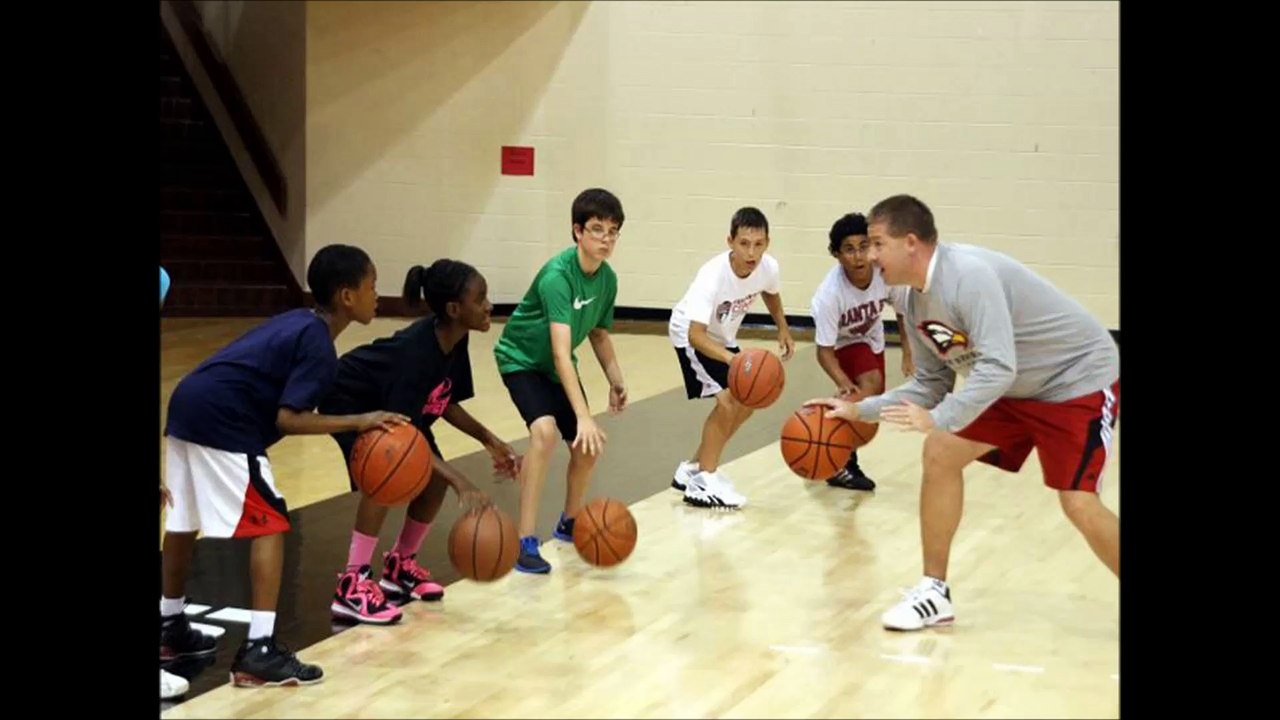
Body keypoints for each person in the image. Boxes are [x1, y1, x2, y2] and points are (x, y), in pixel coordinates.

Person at [807, 195, 1119, 632]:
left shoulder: (968, 277)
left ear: (910, 243)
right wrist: (859, 409)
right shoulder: (909, 298)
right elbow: (931, 383)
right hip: (1012, 385)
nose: (870, 256)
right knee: (941, 452)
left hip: (1073, 379)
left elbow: (998, 366)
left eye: (877, 244)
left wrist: (941, 418)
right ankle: (934, 592)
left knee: (1078, 502)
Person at [160, 245, 409, 686]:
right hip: (224, 419)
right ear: (347, 296)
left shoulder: (299, 321)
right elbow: (288, 418)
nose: (377, 294)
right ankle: (259, 649)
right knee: (271, 523)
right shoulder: (318, 345)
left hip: (188, 402)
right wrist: (362, 420)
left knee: (184, 517)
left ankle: (169, 625)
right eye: (372, 286)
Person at [321, 259, 519, 624]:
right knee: (384, 476)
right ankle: (352, 583)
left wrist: (489, 439)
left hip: (395, 408)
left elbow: (445, 400)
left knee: (433, 483)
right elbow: (405, 439)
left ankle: (399, 566)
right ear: (454, 309)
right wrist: (461, 480)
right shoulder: (416, 353)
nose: (489, 305)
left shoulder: (454, 338)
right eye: (480, 299)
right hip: (352, 400)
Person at [493, 188, 628, 574]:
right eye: (597, 229)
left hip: (555, 367)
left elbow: (598, 333)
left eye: (613, 232)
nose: (606, 239)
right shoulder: (558, 277)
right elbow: (559, 352)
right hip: (521, 360)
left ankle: (569, 522)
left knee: (587, 448)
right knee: (545, 434)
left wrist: (616, 379)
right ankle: (525, 540)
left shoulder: (607, 279)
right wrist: (583, 416)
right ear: (577, 231)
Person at [668, 206, 795, 509]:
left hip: (722, 337)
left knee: (747, 401)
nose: (752, 252)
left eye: (759, 244)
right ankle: (704, 482)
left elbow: (770, 292)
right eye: (744, 244)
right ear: (730, 242)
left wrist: (783, 328)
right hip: (689, 334)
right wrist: (731, 359)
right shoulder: (712, 275)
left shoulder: (768, 267)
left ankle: (694, 469)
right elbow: (695, 335)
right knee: (727, 402)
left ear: (767, 243)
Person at [809, 212, 913, 491]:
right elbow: (823, 352)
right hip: (841, 343)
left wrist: (908, 352)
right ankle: (841, 462)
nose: (858, 257)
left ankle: (828, 450)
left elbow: (903, 312)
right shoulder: (829, 296)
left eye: (863, 246)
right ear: (836, 255)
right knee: (863, 389)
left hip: (871, 338)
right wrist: (843, 383)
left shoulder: (885, 272)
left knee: (870, 404)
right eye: (849, 249)